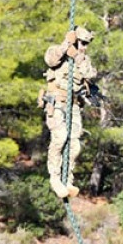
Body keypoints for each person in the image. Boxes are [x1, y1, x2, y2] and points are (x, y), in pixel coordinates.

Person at [38, 26, 98, 199]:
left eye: (87, 44)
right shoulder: (57, 51)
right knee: (60, 137)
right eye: (82, 43)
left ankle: (68, 179)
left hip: (73, 105)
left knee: (74, 144)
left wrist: (77, 56)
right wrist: (66, 46)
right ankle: (55, 178)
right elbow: (51, 60)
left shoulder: (83, 59)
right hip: (56, 103)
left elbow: (91, 73)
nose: (84, 47)